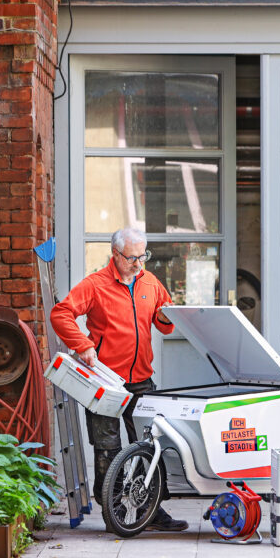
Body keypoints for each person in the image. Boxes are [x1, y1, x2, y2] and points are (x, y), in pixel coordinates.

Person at [50, 227, 188, 531]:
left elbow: (164, 324)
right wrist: (84, 346)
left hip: (141, 380)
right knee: (107, 448)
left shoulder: (150, 282)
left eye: (143, 256)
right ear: (115, 255)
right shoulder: (96, 285)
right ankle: (113, 510)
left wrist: (169, 316)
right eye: (132, 258)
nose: (139, 264)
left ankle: (150, 511)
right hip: (105, 382)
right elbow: (61, 314)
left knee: (149, 446)